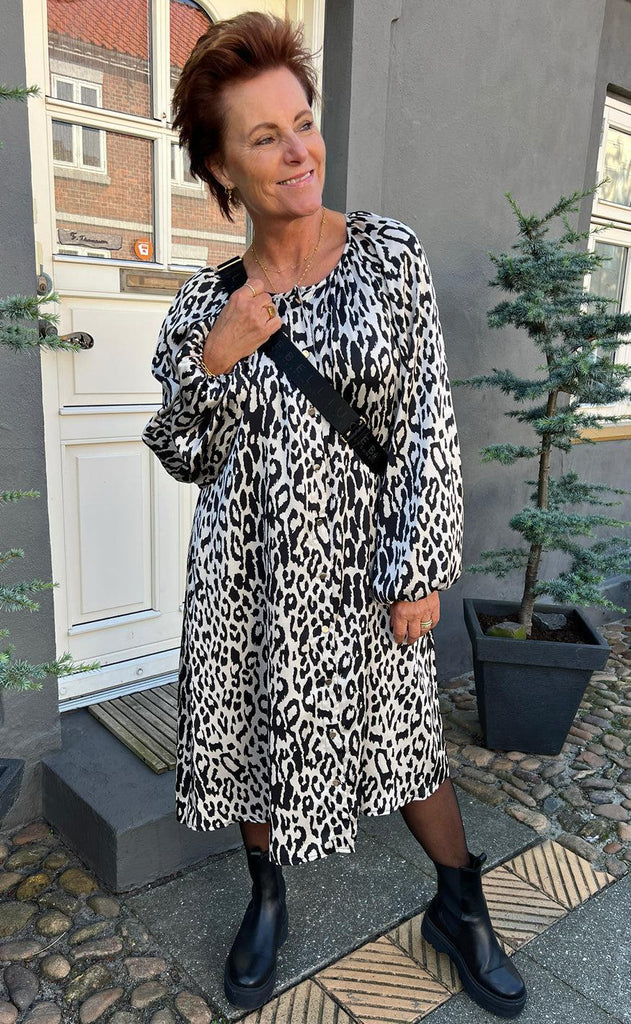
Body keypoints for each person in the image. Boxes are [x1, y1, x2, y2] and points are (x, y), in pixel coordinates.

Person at [142, 10, 527, 1019]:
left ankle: (459, 901)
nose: (298, 152)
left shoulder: (387, 255)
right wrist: (212, 363)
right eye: (264, 137)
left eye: (303, 123)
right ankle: (266, 897)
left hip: (366, 571)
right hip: (245, 576)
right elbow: (184, 455)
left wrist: (420, 568)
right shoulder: (202, 304)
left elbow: (427, 422)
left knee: (405, 746)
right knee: (253, 740)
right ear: (222, 168)